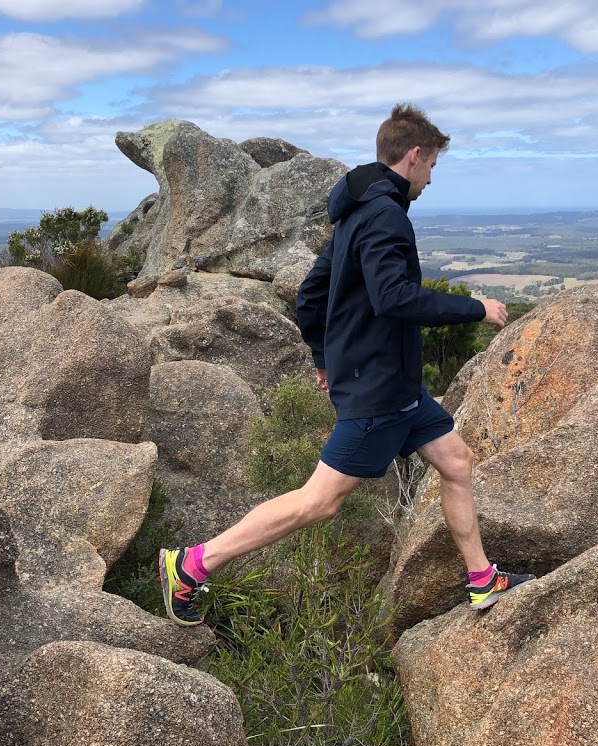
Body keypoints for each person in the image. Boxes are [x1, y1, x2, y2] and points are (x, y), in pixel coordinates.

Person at [159, 104, 535, 626]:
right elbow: (392, 297)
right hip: (379, 390)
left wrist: (323, 356)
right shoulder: (385, 215)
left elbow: (312, 293)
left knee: (456, 462)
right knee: (319, 502)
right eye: (431, 167)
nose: (431, 179)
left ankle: (481, 580)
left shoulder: (357, 211)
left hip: (396, 385)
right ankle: (193, 564)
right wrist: (476, 307)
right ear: (414, 155)